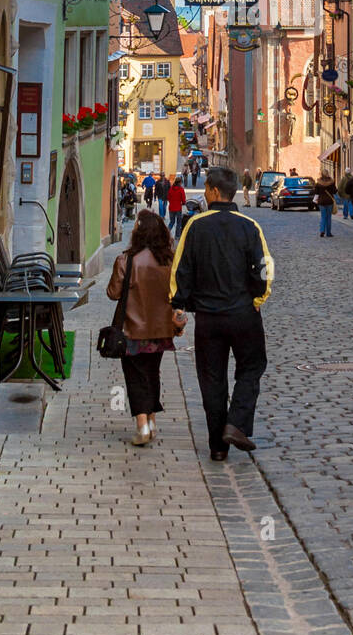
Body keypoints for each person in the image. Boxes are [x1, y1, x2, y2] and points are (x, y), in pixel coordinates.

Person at [170, 166, 273, 461]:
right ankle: (236, 423)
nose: (203, 191)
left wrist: (178, 305)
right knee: (252, 367)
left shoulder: (196, 226)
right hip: (244, 314)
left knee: (212, 378)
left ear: (215, 192)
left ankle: (218, 445)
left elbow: (181, 269)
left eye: (205, 187)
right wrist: (259, 297)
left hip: (208, 318)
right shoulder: (249, 226)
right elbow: (265, 267)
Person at [106, 210, 187, 447]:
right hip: (160, 331)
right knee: (152, 373)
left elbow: (113, 293)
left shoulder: (126, 260)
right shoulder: (169, 261)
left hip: (132, 329)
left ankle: (142, 425)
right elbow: (177, 293)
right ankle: (151, 422)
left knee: (135, 376)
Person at [314, 171, 337, 238]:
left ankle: (322, 230)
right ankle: (328, 232)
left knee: (323, 216)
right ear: (328, 174)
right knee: (329, 217)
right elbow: (334, 191)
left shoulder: (318, 183)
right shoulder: (331, 182)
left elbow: (316, 192)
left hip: (321, 201)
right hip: (329, 201)